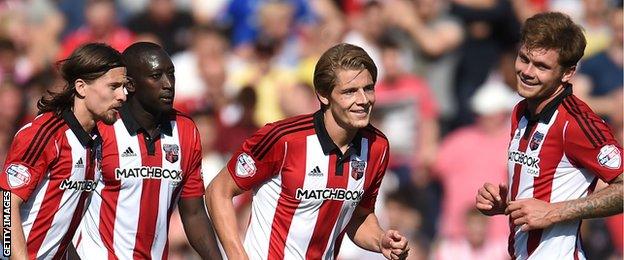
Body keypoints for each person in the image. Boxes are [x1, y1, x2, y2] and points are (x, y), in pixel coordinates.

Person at [206, 43, 409, 260]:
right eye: (350, 91)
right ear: (323, 95)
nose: (363, 100)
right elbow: (218, 191)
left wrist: (380, 240)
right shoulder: (283, 139)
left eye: (368, 88)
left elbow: (359, 216)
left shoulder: (377, 146)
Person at [475, 12, 623, 259]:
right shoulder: (520, 110)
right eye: (524, 59)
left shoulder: (576, 122)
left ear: (567, 73)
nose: (527, 72)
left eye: (542, 66)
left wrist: (553, 212)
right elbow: (544, 191)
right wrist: (507, 204)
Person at [72, 42, 221, 259]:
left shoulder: (186, 130)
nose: (168, 84)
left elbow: (194, 212)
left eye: (171, 74)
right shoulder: (101, 128)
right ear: (130, 84)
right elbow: (66, 208)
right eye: (156, 76)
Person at [0, 43, 127, 259]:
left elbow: (63, 220)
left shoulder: (95, 142)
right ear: (81, 87)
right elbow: (5, 203)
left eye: (123, 87)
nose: (122, 96)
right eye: (113, 86)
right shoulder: (45, 133)